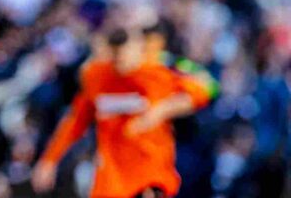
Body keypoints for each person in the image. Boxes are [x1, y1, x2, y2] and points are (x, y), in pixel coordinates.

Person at [31, 28, 216, 198]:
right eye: (115, 55)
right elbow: (75, 121)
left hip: (150, 171)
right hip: (112, 177)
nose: (120, 62)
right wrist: (49, 160)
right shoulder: (96, 76)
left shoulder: (158, 71)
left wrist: (162, 110)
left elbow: (206, 90)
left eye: (125, 54)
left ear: (138, 49)